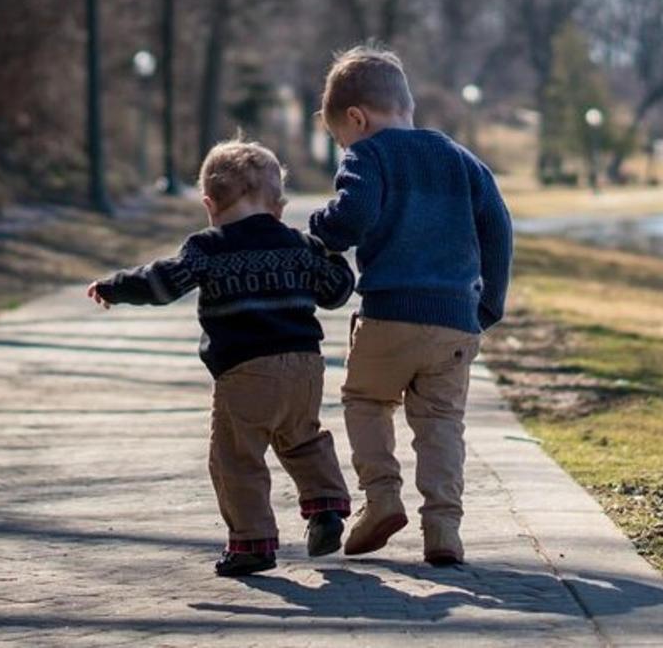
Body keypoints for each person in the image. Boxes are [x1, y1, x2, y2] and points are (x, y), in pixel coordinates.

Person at [87, 139, 354, 577]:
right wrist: (334, 256)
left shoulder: (207, 248)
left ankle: (252, 542)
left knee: (236, 457)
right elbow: (336, 292)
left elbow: (163, 283)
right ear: (279, 205)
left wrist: (116, 287)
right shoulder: (299, 244)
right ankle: (326, 509)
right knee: (303, 438)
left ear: (209, 204)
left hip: (246, 371)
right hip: (305, 367)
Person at [310, 45, 513, 566]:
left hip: (389, 314)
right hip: (454, 321)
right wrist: (488, 304)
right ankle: (443, 528)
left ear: (357, 118)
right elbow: (498, 229)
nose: (344, 146)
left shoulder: (368, 155)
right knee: (442, 422)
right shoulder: (461, 159)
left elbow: (351, 218)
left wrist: (320, 229)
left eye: (341, 138)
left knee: (366, 401)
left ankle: (381, 499)